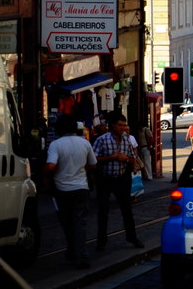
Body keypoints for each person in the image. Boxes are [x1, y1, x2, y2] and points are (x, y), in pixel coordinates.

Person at [45, 115, 96, 269]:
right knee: (79, 223)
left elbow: (50, 166)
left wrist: (45, 178)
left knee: (67, 223)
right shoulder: (85, 143)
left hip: (63, 189)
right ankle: (80, 255)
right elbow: (93, 165)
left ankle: (74, 251)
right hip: (81, 188)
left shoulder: (56, 144)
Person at [92, 114, 144, 249]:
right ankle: (101, 242)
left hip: (122, 179)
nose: (123, 128)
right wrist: (111, 157)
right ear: (113, 126)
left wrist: (124, 158)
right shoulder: (102, 140)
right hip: (105, 179)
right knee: (103, 211)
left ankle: (132, 238)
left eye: (124, 125)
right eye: (120, 125)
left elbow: (133, 158)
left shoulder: (127, 140)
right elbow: (93, 160)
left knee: (127, 210)